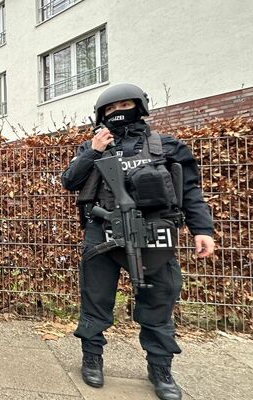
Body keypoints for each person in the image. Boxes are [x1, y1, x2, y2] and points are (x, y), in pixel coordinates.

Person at [62, 83, 215, 400]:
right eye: (110, 110)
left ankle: (160, 368)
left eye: (124, 106)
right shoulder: (92, 146)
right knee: (95, 302)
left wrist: (202, 229)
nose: (117, 113)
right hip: (102, 233)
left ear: (140, 106)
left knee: (158, 303)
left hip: (154, 235)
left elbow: (190, 192)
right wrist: (94, 150)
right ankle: (92, 358)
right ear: (100, 116)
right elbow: (70, 180)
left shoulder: (165, 146)